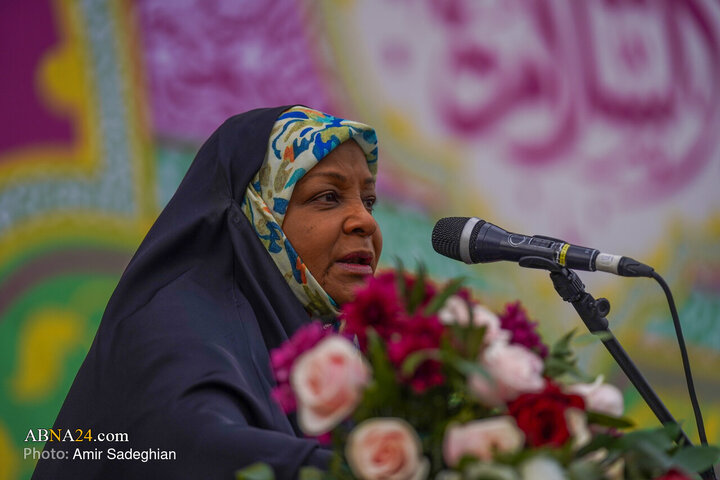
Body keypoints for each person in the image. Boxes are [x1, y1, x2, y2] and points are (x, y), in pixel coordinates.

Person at [31, 106, 383, 479]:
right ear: (258, 213)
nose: (366, 221)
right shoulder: (172, 324)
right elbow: (197, 447)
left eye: (369, 200)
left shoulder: (339, 344)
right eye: (328, 196)